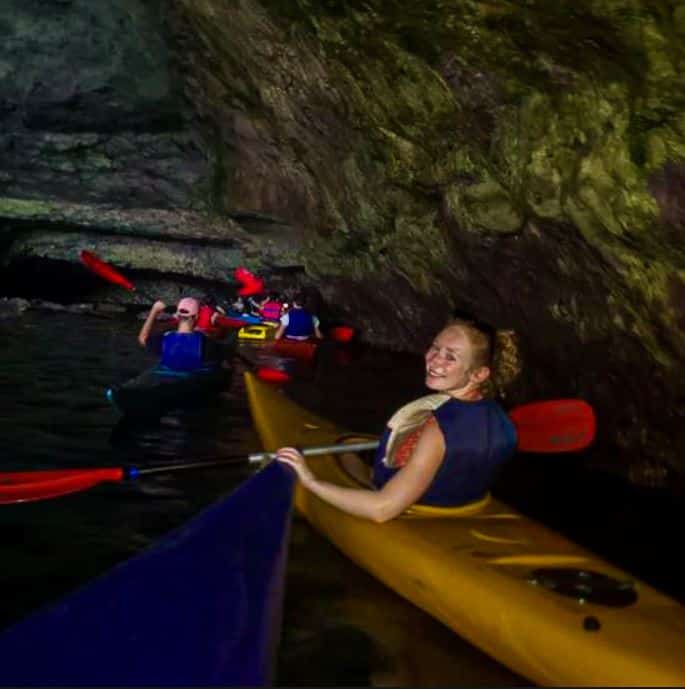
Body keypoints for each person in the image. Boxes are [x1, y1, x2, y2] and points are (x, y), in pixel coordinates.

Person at [275, 318, 521, 522]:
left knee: (343, 456)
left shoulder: (438, 430)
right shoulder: (501, 417)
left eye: (451, 357)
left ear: (479, 374)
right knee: (345, 450)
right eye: (435, 348)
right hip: (468, 504)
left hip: (417, 510)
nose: (434, 361)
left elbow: (381, 510)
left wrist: (309, 481)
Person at [137, 297, 207, 372]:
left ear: (177, 315)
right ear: (196, 316)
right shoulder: (205, 344)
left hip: (164, 378)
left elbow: (142, 338)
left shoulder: (163, 341)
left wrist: (154, 310)